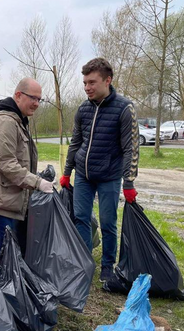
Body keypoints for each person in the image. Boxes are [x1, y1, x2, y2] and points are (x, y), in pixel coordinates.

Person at [59, 57, 139, 282]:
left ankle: (107, 265)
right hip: (84, 174)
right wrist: (67, 172)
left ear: (107, 80)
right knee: (81, 219)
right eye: (84, 83)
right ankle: (85, 262)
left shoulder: (125, 109)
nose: (87, 87)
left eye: (92, 82)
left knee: (107, 223)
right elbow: (75, 142)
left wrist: (129, 183)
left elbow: (131, 149)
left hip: (109, 177)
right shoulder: (83, 109)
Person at [0, 78, 54, 265]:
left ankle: (2, 285)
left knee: (8, 245)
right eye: (33, 98)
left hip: (9, 196)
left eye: (40, 99)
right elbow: (7, 163)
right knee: (2, 245)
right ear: (18, 95)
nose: (37, 103)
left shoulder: (18, 120)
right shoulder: (5, 122)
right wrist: (36, 182)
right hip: (1, 198)